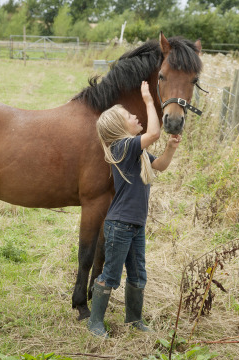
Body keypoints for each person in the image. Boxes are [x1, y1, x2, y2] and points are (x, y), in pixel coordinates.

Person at [88, 81, 182, 338]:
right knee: (112, 275)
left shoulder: (137, 153)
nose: (135, 116)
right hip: (119, 224)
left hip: (135, 224)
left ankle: (134, 320)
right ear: (120, 128)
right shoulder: (123, 147)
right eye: (130, 116)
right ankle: (95, 322)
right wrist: (150, 102)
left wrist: (171, 148)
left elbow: (160, 166)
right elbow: (152, 134)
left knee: (139, 274)